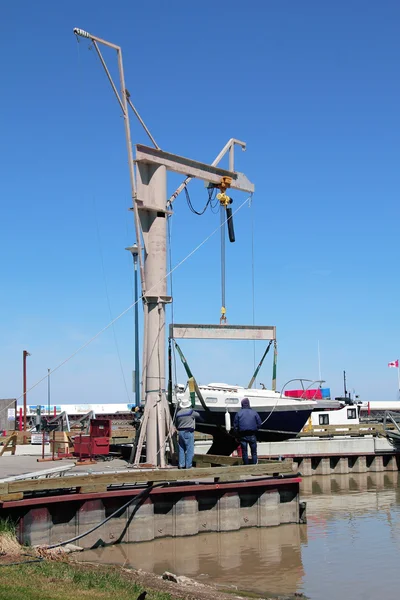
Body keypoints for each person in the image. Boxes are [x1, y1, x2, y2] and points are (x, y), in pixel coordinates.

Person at [233, 397, 262, 465]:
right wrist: (255, 429)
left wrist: (237, 436)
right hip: (252, 435)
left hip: (242, 436)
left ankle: (246, 466)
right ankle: (254, 466)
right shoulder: (254, 413)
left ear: (242, 404)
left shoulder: (239, 413)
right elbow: (259, 424)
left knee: (244, 452)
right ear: (249, 404)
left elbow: (235, 426)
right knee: (254, 452)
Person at [176, 398, 202, 469]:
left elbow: (176, 423)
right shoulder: (191, 412)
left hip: (180, 432)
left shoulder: (178, 413)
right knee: (189, 449)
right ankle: (188, 466)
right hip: (188, 432)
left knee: (181, 449)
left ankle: (181, 465)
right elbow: (198, 415)